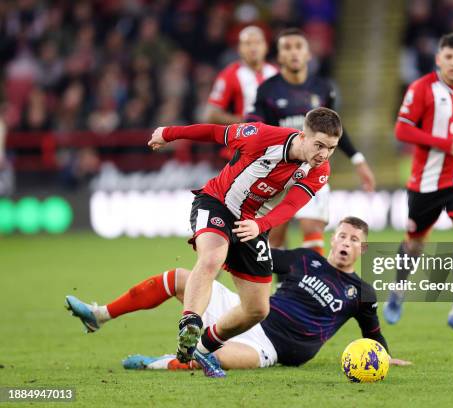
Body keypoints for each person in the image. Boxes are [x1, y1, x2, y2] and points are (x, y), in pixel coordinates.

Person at [65, 217, 409, 377]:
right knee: (180, 278)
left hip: (271, 348)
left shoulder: (361, 292)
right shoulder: (307, 259)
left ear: (363, 248)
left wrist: (385, 357)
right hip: (247, 311)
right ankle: (101, 314)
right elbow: (258, 264)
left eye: (354, 240)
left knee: (218, 357)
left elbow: (373, 333)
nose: (347, 243)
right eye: (343, 236)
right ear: (333, 239)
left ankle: (158, 362)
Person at [146, 107, 342, 367]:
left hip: (254, 223)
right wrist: (168, 133)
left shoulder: (320, 169)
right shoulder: (261, 136)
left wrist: (260, 225)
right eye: (319, 145)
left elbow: (290, 206)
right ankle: (190, 322)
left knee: (258, 309)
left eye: (331, 148)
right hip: (217, 203)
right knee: (212, 257)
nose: (323, 155)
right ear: (303, 136)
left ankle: (202, 347)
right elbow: (215, 132)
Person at [383, 33, 453, 340]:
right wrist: (445, 144)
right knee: (415, 242)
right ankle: (399, 289)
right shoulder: (422, 89)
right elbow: (402, 129)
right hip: (426, 182)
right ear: (439, 59)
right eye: (448, 57)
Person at [247, 28, 376, 255]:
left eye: (299, 47)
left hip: (314, 169)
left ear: (308, 54)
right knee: (275, 237)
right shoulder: (267, 90)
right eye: (287, 48)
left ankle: (311, 287)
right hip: (278, 170)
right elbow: (255, 128)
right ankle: (281, 287)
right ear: (279, 56)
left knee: (312, 228)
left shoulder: (323, 89)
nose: (294, 53)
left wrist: (358, 160)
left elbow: (336, 131)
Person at [204, 26, 277, 125]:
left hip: (276, 137)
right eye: (248, 44)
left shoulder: (275, 72)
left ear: (266, 46)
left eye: (257, 43)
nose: (253, 48)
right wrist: (247, 122)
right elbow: (211, 115)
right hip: (247, 136)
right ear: (239, 48)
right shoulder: (229, 74)